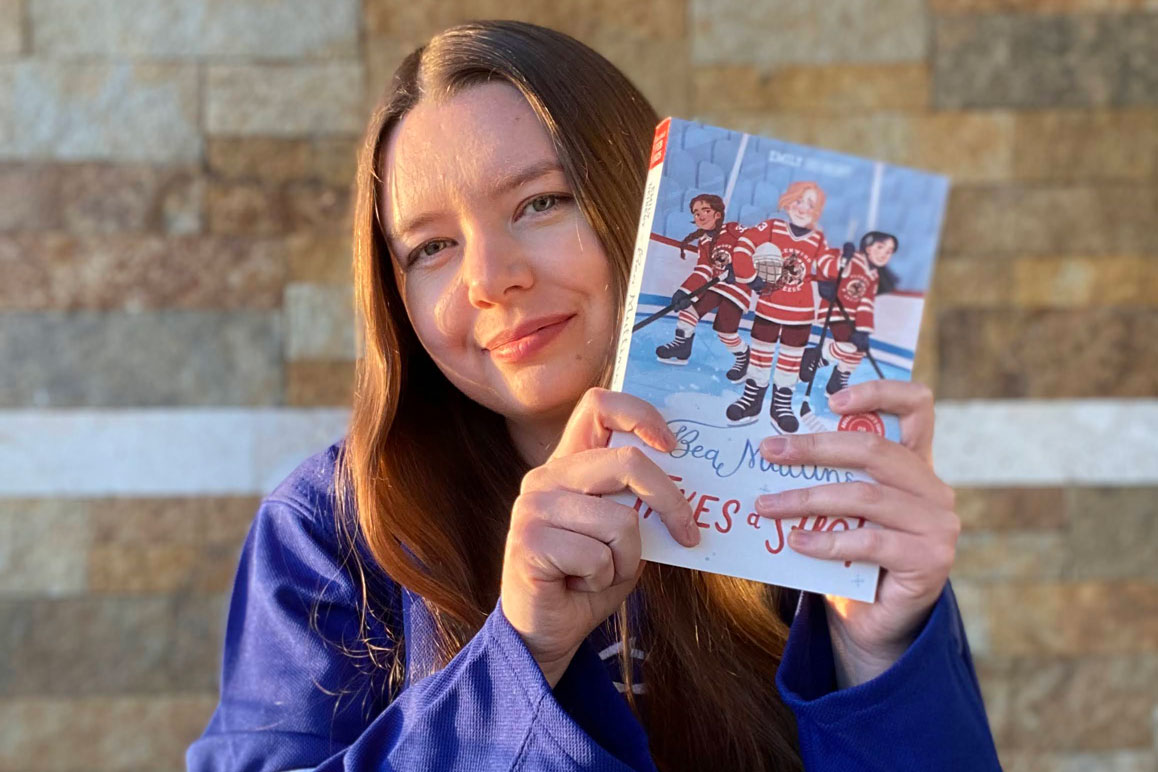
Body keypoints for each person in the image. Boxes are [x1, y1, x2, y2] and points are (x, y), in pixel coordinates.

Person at [186, 20, 1001, 772]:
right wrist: (521, 656)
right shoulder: (328, 529)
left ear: (641, 204)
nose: (489, 278)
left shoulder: (803, 496)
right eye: (432, 246)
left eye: (541, 202)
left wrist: (880, 658)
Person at [727, 182, 833, 433]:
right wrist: (748, 274)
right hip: (768, 309)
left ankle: (781, 406)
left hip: (800, 315)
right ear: (788, 201)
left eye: (811, 204)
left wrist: (832, 276)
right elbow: (745, 244)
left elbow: (827, 263)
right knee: (760, 356)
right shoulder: (773, 227)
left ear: (817, 211)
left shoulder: (817, 238)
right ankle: (751, 400)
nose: (803, 208)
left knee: (790, 362)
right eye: (799, 200)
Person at [654, 194, 753, 380]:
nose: (701, 216)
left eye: (705, 210)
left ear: (717, 214)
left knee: (724, 330)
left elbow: (754, 243)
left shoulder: (732, 229)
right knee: (689, 307)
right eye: (696, 213)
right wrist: (684, 292)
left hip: (736, 289)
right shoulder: (704, 242)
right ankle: (682, 345)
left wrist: (740, 264)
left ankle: (744, 355)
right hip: (715, 286)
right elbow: (703, 270)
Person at [813, 231, 899, 396]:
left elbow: (866, 304)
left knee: (859, 347)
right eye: (880, 247)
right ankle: (818, 357)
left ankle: (837, 382)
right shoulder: (852, 259)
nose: (883, 254)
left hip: (851, 318)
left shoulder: (873, 275)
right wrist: (842, 260)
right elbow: (824, 265)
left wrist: (863, 330)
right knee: (849, 344)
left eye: (889, 252)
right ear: (867, 247)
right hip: (836, 311)